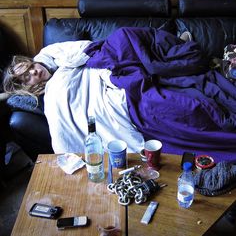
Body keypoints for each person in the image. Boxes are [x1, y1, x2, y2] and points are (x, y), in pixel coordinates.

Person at [5, 28, 222, 155]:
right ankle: (172, 58)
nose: (35, 72)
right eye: (28, 77)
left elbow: (87, 49)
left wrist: (88, 59)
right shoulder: (51, 92)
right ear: (30, 86)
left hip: (104, 60)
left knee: (123, 35)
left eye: (30, 67)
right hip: (102, 87)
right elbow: (62, 120)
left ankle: (174, 51)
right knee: (161, 102)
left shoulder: (50, 52)